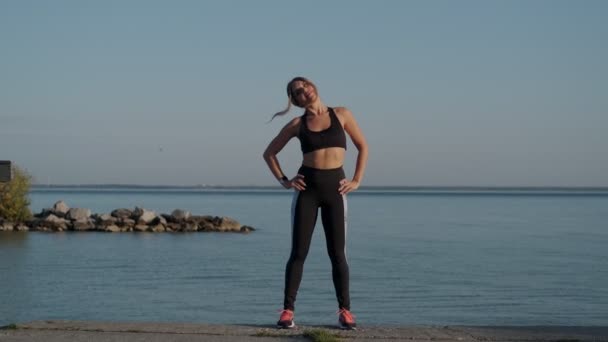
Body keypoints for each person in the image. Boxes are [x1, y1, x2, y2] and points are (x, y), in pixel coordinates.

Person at [263, 77, 368, 329]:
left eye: (305, 85)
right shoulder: (298, 124)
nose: (304, 91)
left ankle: (345, 312)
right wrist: (285, 181)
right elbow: (269, 153)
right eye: (297, 92)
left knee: (338, 254)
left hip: (336, 189)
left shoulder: (341, 114)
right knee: (298, 253)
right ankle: (287, 311)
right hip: (306, 190)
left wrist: (356, 180)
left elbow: (362, 146)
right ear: (295, 100)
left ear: (313, 86)